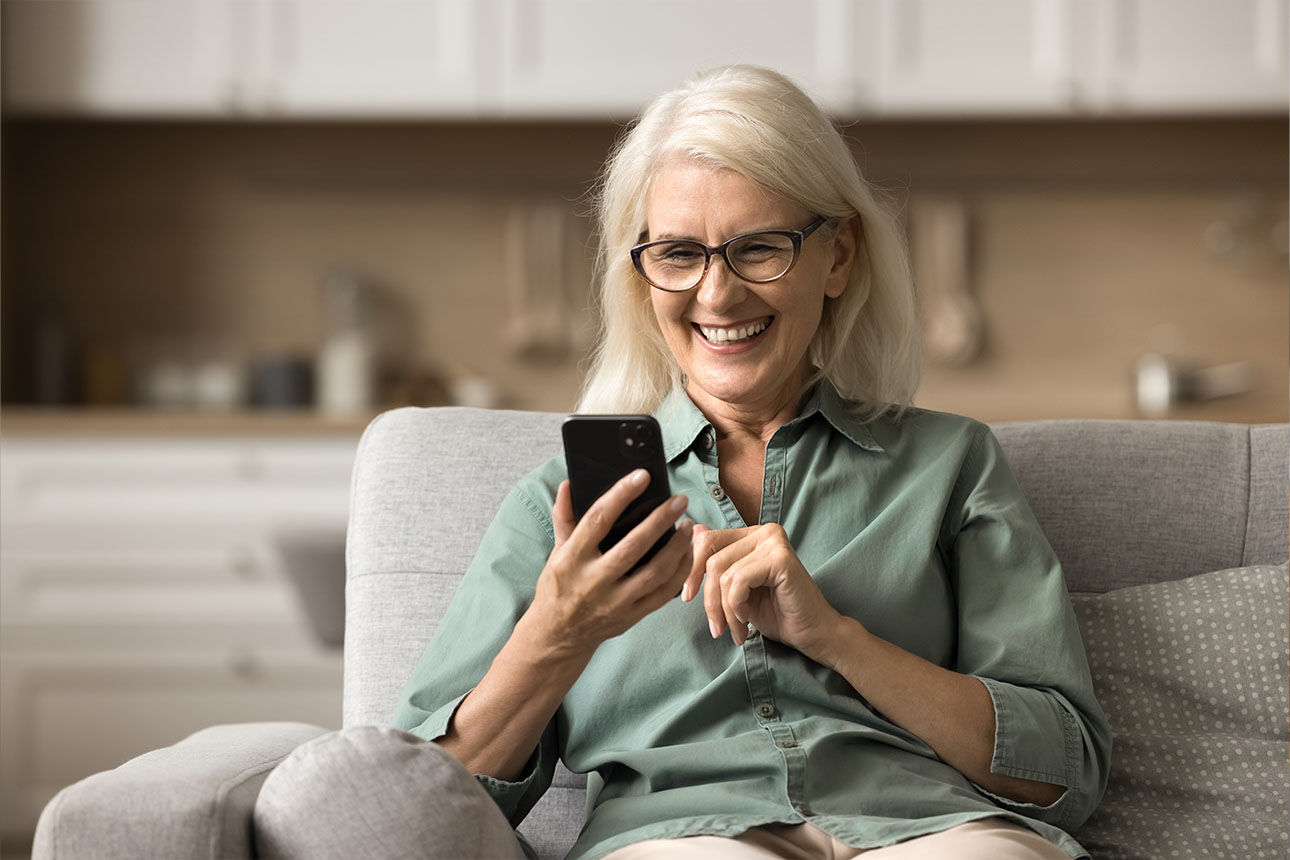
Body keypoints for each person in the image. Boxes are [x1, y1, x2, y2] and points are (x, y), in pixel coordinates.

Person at [258, 65, 1110, 860]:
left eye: (759, 247)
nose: (717, 293)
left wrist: (838, 638)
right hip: (683, 837)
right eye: (677, 254)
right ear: (642, 275)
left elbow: (1062, 770)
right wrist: (561, 630)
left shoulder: (950, 463)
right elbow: (419, 802)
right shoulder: (558, 505)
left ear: (839, 255)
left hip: (931, 829)